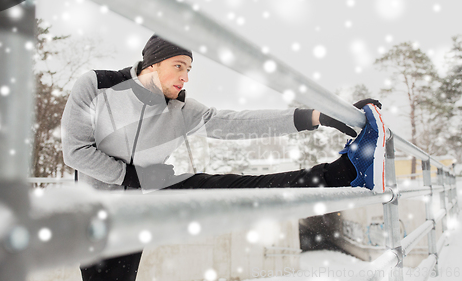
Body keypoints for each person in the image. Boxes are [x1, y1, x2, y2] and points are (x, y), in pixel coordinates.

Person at [61, 34, 386, 281]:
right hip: (96, 213)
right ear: (152, 64)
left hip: (147, 196)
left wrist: (316, 117)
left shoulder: (181, 109)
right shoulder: (98, 85)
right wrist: (130, 177)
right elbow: (76, 151)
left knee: (238, 188)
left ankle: (341, 173)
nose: (185, 77)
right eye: (178, 66)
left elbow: (235, 122)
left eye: (188, 69)